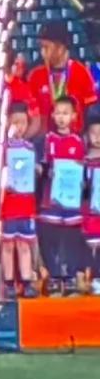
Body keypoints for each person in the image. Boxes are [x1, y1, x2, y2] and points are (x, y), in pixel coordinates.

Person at [38, 96, 87, 295]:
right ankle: (54, 276)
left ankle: (70, 277)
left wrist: (83, 181)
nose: (61, 117)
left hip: (72, 201)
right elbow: (42, 166)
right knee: (51, 238)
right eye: (57, 113)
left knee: (71, 239)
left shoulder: (79, 141)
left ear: (74, 116)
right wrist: (42, 171)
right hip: (51, 200)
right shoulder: (47, 139)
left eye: (65, 113)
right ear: (52, 115)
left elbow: (83, 169)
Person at [27, 21, 96, 134]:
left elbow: (91, 112)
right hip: (44, 139)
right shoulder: (35, 76)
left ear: (60, 48)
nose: (42, 52)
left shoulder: (81, 72)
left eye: (46, 47)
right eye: (41, 47)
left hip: (75, 138)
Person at [0, 102, 39, 298]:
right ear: (7, 123)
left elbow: (33, 174)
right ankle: (8, 283)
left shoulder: (30, 148)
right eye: (15, 122)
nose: (19, 126)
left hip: (25, 204)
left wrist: (37, 169)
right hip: (7, 205)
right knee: (8, 245)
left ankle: (26, 281)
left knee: (24, 244)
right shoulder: (1, 149)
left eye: (23, 122)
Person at [83, 119, 100, 295]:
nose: (98, 137)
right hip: (90, 212)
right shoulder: (83, 161)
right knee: (92, 247)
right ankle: (92, 278)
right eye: (94, 133)